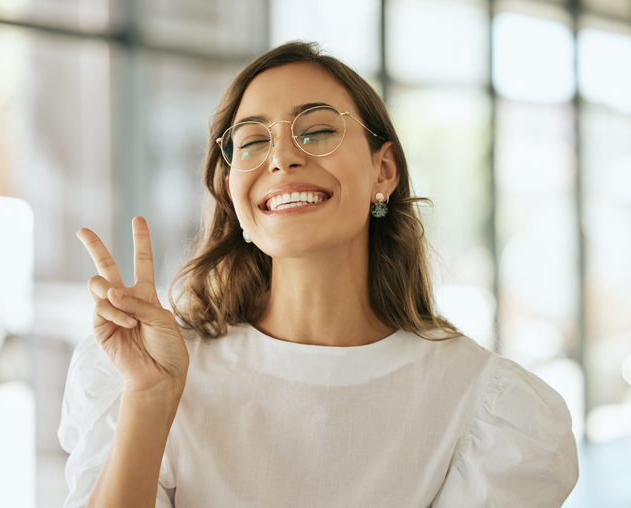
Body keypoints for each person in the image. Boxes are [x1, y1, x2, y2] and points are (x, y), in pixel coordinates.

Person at [59, 41, 579, 507]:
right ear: (232, 191)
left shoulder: (489, 410)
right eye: (253, 141)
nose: (282, 156)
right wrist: (150, 399)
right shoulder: (152, 372)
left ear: (384, 171)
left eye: (319, 130)